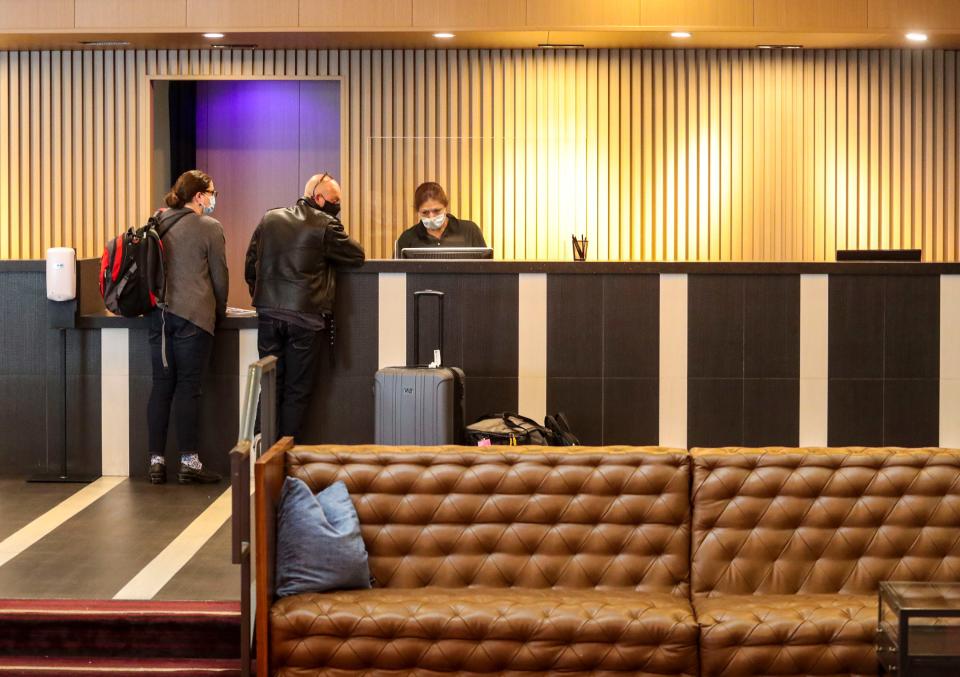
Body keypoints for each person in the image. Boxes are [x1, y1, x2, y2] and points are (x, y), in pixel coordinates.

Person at [245, 172, 365, 440]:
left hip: (267, 315)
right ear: (318, 197)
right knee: (296, 391)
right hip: (305, 318)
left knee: (270, 384)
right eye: (335, 200)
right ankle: (286, 456)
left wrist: (263, 298)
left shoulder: (269, 218)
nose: (338, 206)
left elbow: (250, 265)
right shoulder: (325, 225)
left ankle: (261, 453)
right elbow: (357, 255)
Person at [148, 169, 228, 485]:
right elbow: (220, 278)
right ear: (198, 196)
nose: (213, 198)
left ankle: (156, 461)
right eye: (211, 192)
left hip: (160, 316)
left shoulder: (158, 221)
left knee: (160, 387)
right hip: (195, 318)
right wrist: (219, 311)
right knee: (188, 389)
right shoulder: (210, 227)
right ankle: (189, 461)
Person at [394, 182, 486, 255]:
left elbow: (487, 270)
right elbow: (395, 275)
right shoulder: (407, 238)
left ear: (445, 207)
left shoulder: (470, 230)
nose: (431, 217)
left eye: (437, 211)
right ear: (418, 211)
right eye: (425, 212)